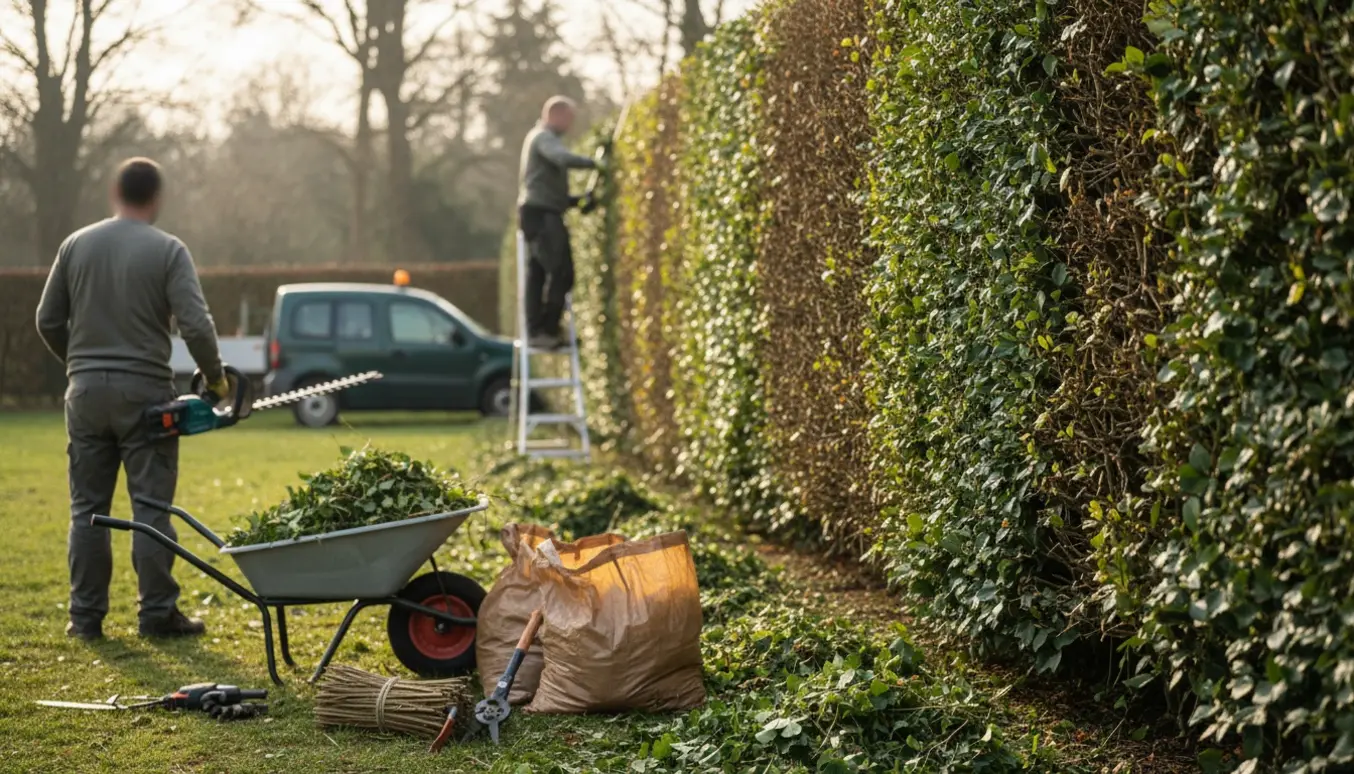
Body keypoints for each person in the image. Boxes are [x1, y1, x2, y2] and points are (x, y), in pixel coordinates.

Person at [36, 157, 230, 641]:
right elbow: (196, 325)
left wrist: (78, 363)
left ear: (115, 192)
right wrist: (217, 380)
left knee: (87, 509)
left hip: (82, 393)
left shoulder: (74, 245)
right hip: (145, 394)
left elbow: (46, 319)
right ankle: (158, 615)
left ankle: (84, 619)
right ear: (156, 197)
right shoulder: (168, 249)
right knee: (149, 507)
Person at [518, 95, 603, 350]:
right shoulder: (543, 137)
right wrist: (595, 164)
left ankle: (541, 330)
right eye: (569, 119)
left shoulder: (540, 138)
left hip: (539, 212)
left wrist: (577, 202)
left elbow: (549, 191)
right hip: (542, 215)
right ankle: (545, 329)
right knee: (562, 272)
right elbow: (562, 158)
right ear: (555, 115)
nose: (570, 125)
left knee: (539, 273)